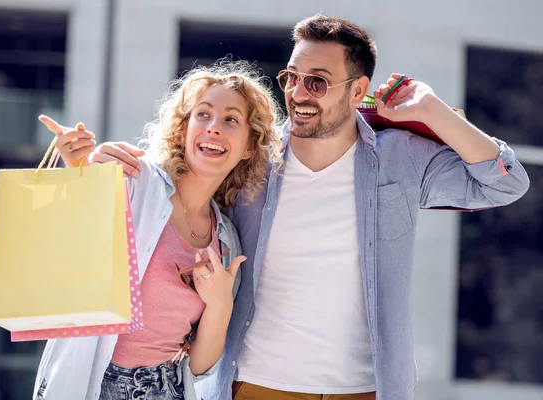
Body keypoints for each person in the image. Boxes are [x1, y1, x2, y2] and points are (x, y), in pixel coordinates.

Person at [84, 14, 530, 400]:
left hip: (366, 387)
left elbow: (502, 184)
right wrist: (102, 166)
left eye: (316, 81)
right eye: (291, 77)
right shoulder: (253, 158)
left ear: (358, 90)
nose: (298, 93)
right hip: (257, 383)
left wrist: (433, 110)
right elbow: (180, 174)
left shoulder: (401, 158)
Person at [31, 60, 283, 400]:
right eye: (203, 115)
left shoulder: (225, 239)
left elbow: (199, 366)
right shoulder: (137, 181)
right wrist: (78, 169)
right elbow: (72, 244)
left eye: (231, 120)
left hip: (164, 389)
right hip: (89, 382)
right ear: (183, 128)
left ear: (249, 147)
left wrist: (220, 305)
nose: (214, 128)